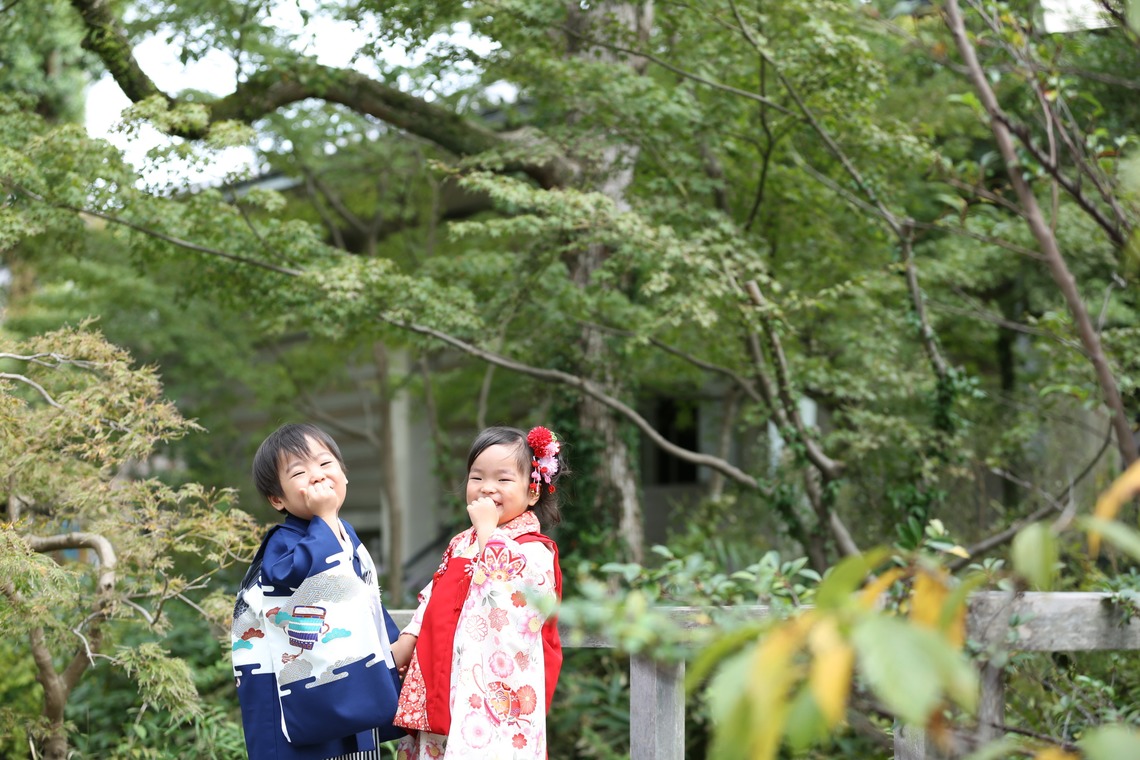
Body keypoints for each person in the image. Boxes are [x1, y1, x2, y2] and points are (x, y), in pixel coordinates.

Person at [390, 425, 566, 759]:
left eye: (503, 479)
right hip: (446, 677)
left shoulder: (535, 551)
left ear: (532, 492)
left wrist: (488, 533)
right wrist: (410, 638)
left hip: (492, 692)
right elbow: (434, 594)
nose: (487, 488)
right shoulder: (461, 542)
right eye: (477, 477)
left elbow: (519, 608)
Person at [232, 423, 403, 760]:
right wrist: (325, 519)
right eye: (299, 471)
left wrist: (394, 650)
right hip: (293, 698)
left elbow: (363, 600)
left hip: (344, 687)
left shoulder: (345, 533)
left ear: (344, 475)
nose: (316, 475)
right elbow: (289, 579)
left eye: (325, 464)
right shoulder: (281, 544)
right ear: (277, 498)